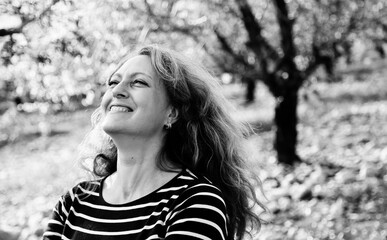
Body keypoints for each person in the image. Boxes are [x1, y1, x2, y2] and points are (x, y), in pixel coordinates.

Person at [43, 45, 265, 240]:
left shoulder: (195, 203)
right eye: (113, 82)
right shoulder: (74, 203)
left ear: (172, 113)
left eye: (138, 82)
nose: (117, 91)